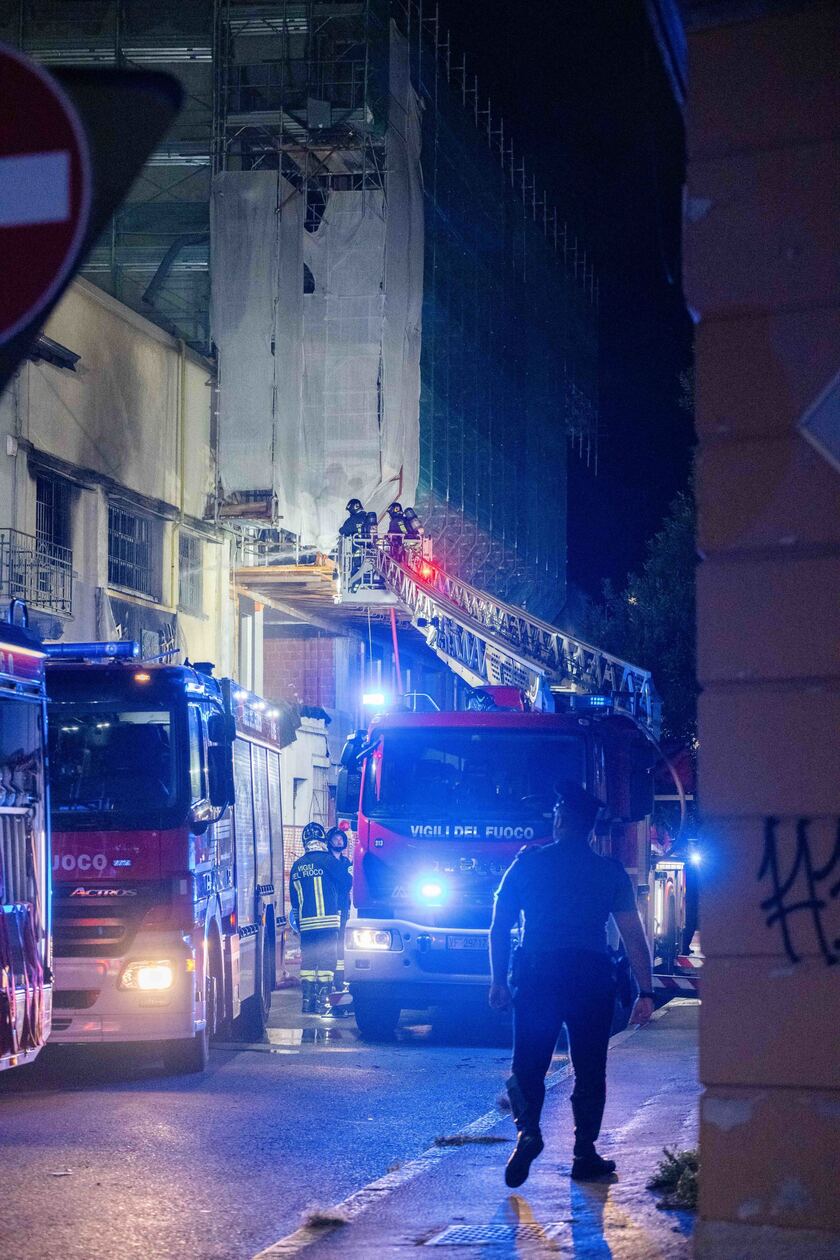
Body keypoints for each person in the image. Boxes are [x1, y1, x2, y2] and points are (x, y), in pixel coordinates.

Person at [488, 781, 655, 1188]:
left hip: (538, 976)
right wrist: (646, 992)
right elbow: (633, 935)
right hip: (591, 979)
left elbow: (499, 926)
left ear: (560, 820)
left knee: (528, 1064)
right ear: (593, 830)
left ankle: (528, 1133)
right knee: (590, 1068)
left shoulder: (526, 864)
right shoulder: (609, 871)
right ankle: (584, 1153)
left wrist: (498, 980)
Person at [289, 822, 345, 1016]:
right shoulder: (329, 861)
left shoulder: (297, 866)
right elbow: (346, 882)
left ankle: (307, 1003)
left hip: (306, 924)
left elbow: (294, 901)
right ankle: (322, 1002)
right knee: (327, 962)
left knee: (308, 962)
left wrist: (298, 926)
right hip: (329, 922)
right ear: (322, 839)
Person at [325, 825, 353, 1013]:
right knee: (328, 943)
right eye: (336, 839)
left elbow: (348, 882)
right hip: (328, 908)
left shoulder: (346, 863)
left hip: (342, 907)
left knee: (341, 942)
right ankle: (328, 979)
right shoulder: (325, 862)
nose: (339, 841)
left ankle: (340, 978)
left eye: (341, 839)